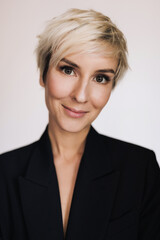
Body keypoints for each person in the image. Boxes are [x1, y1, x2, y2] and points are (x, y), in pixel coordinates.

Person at [0, 8, 160, 240]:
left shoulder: (140, 169)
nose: (81, 96)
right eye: (68, 70)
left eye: (100, 78)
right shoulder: (4, 173)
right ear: (43, 74)